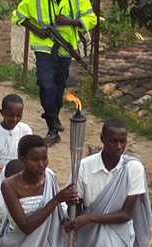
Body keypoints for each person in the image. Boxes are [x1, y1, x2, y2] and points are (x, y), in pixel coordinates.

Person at [12, 0, 96, 143]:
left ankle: (54, 120)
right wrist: (37, 30)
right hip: (44, 47)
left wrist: (70, 22)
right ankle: (52, 126)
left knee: (59, 87)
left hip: (66, 48)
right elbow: (17, 16)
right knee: (45, 85)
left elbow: (91, 19)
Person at [0, 94, 32, 190]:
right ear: (2, 112)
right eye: (10, 115)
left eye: (19, 115)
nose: (14, 119)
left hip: (20, 182)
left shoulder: (25, 130)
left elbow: (26, 160)